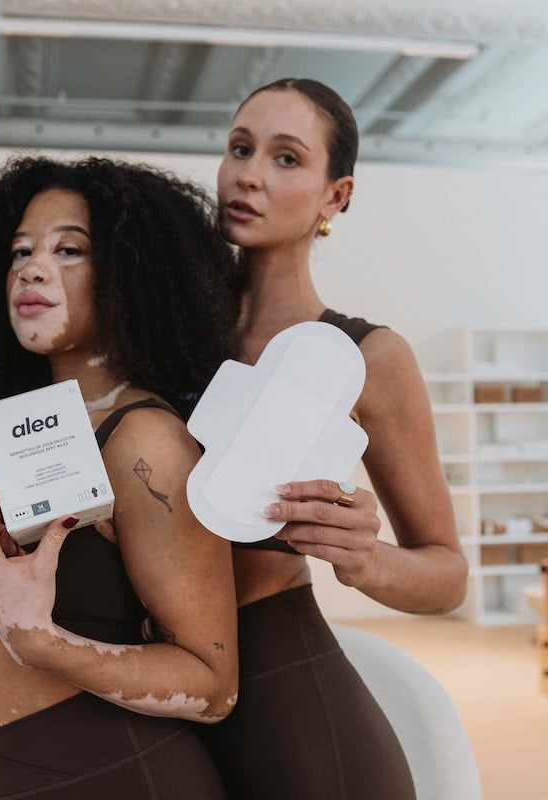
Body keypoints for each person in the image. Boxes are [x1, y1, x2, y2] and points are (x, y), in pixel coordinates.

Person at [0, 156, 242, 799]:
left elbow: (214, 686)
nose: (32, 269)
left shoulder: (146, 443)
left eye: (69, 250)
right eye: (20, 251)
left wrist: (44, 643)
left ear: (130, 275)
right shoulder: (8, 428)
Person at [196, 78, 469, 798]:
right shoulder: (159, 334)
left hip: (296, 719)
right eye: (240, 148)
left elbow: (447, 575)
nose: (249, 174)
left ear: (335, 196)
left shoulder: (368, 358)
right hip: (159, 705)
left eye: (286, 158)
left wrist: (363, 558)